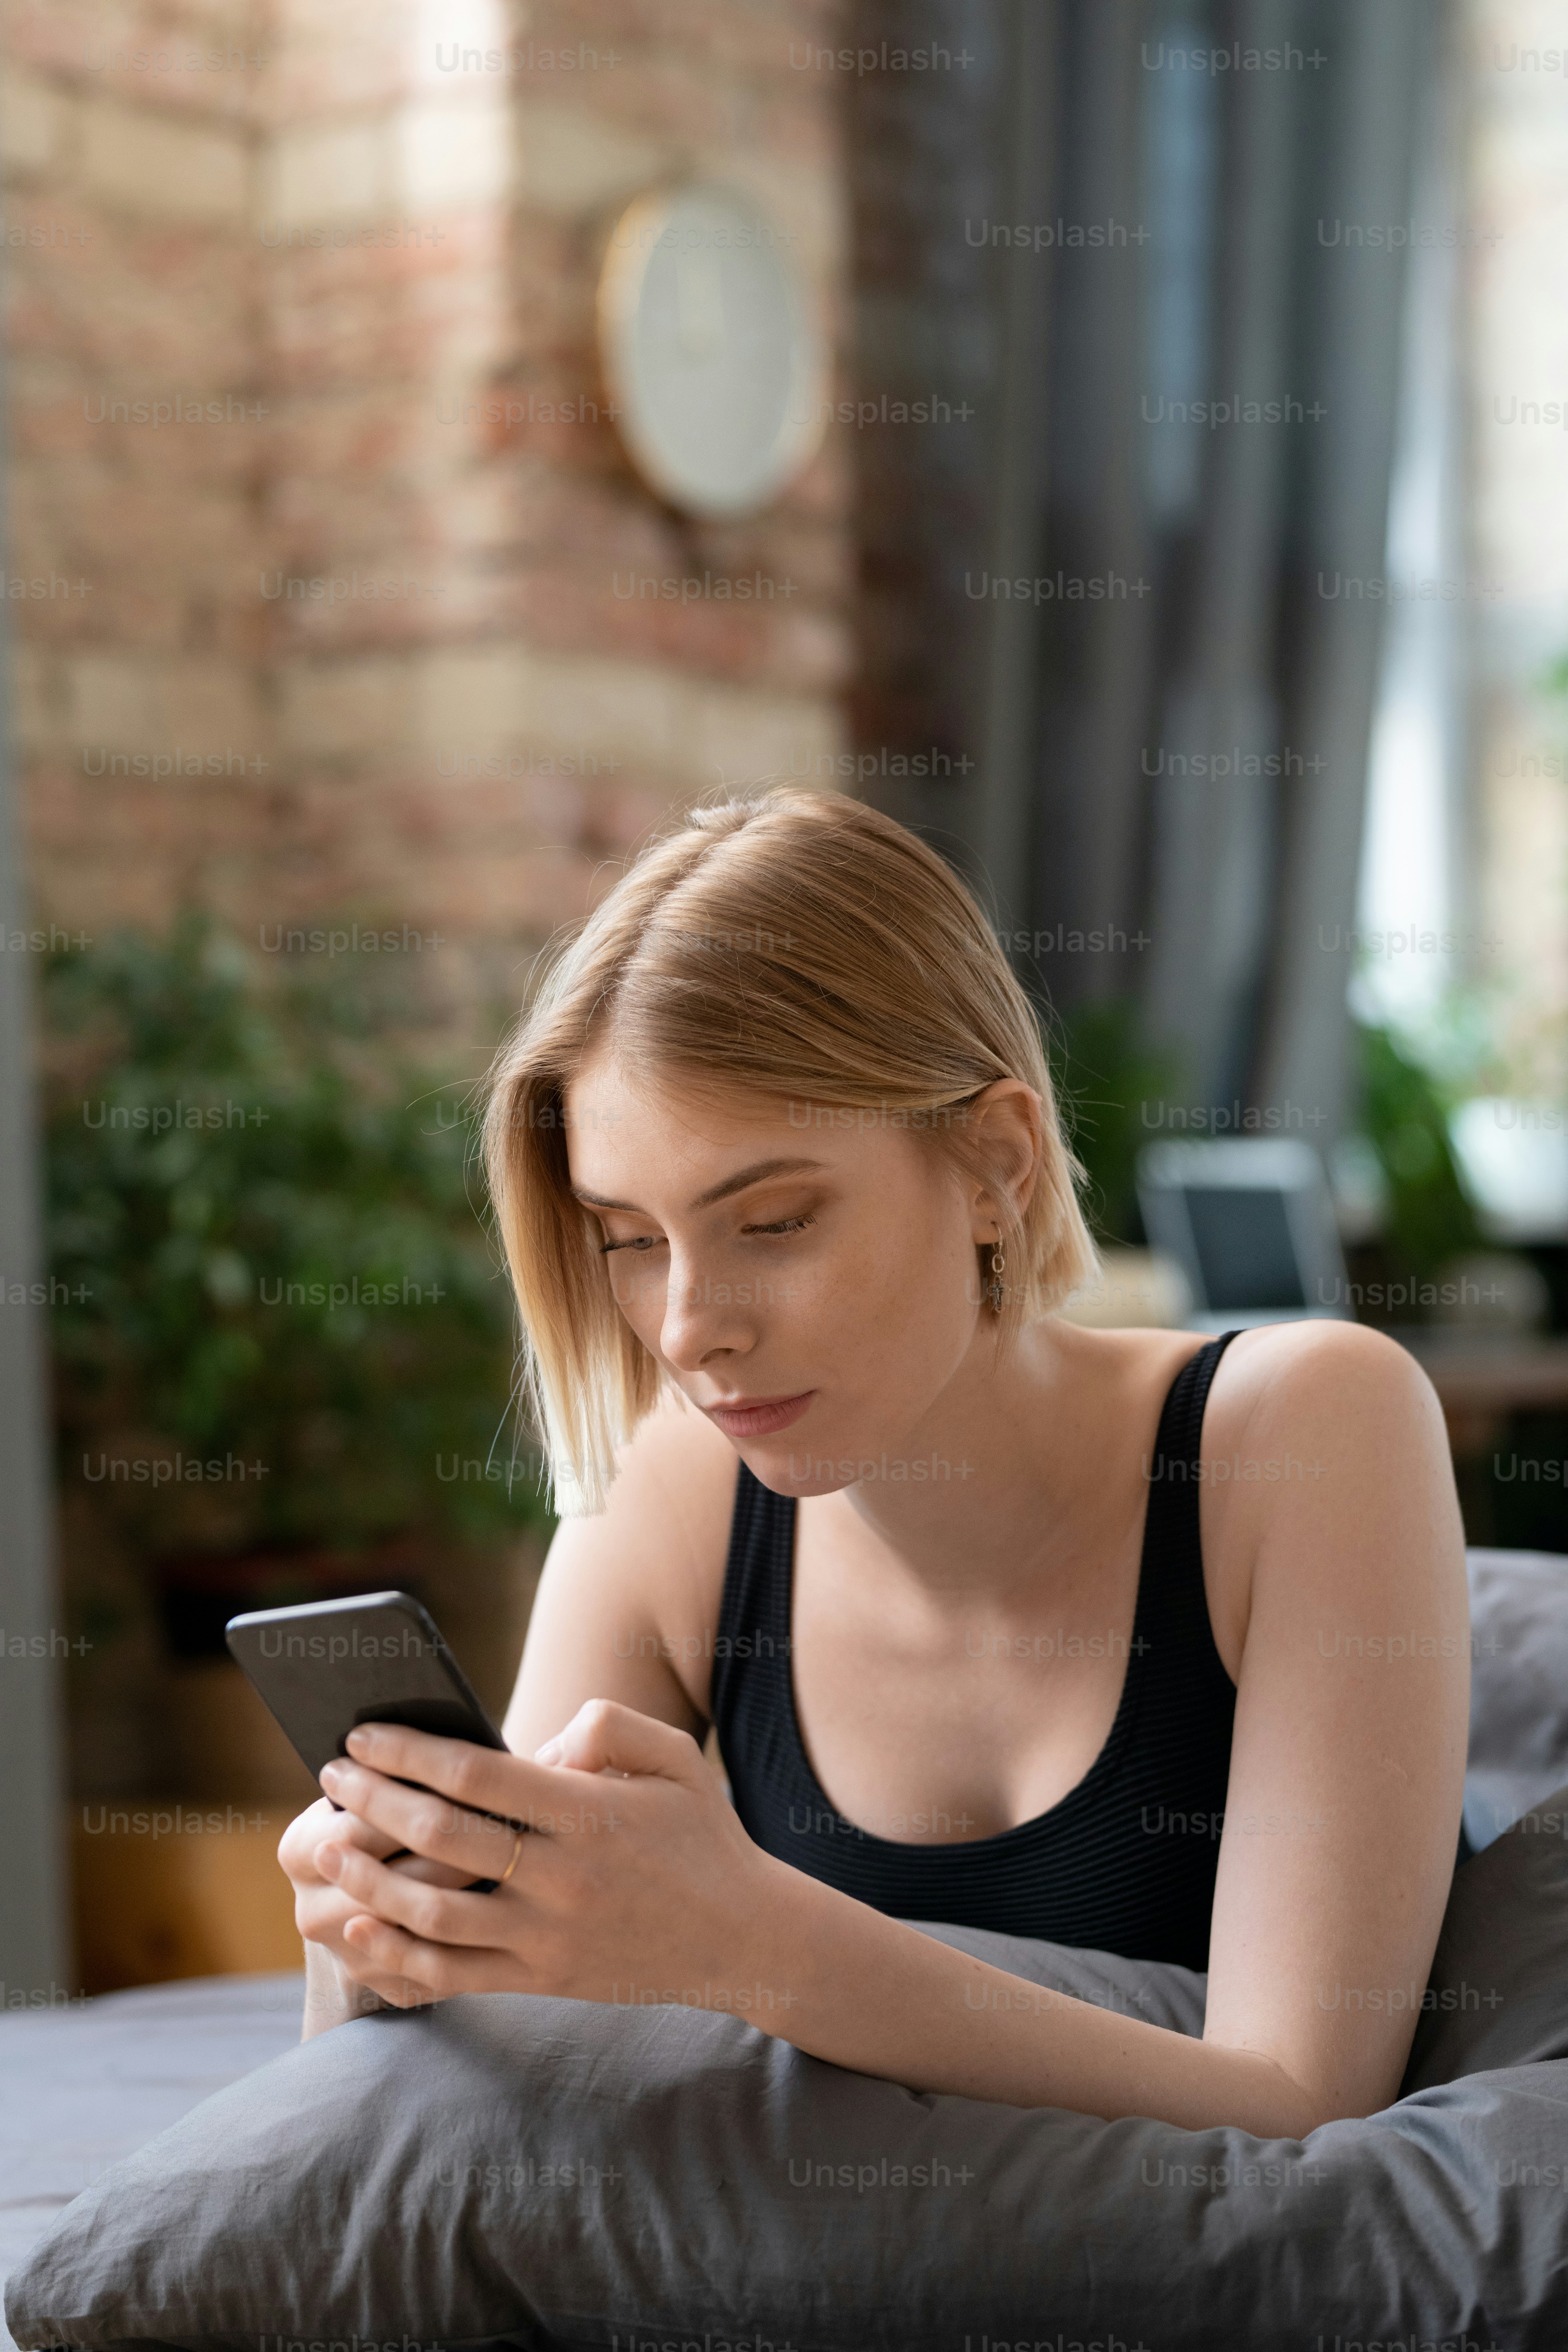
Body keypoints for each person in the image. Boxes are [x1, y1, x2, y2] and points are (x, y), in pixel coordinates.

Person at [278, 788, 1469, 2135]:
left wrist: (746, 1943)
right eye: (629, 1239)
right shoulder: (676, 1488)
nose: (689, 1328)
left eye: (774, 1221)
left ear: (995, 1166)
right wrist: (366, 1944)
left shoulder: (1310, 1425)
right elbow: (456, 2085)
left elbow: (1301, 2103)